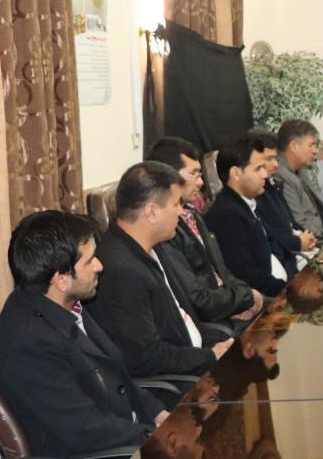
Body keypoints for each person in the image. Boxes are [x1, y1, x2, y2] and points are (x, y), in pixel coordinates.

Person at [0, 211, 167, 459]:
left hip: (126, 439)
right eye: (89, 261)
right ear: (61, 279)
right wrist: (151, 436)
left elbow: (118, 375)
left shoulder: (62, 304)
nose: (100, 266)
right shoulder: (28, 343)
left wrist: (158, 413)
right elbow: (84, 429)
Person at [87, 162, 227, 379]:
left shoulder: (152, 245)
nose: (181, 211)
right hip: (178, 381)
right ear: (151, 212)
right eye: (176, 204)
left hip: (193, 353)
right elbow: (145, 357)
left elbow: (179, 318)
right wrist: (209, 356)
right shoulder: (120, 271)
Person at [147, 137, 262, 325]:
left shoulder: (193, 214)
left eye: (200, 174)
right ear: (169, 177)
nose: (201, 182)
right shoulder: (165, 230)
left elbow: (223, 271)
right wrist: (245, 298)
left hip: (229, 304)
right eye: (193, 174)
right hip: (213, 321)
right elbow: (197, 301)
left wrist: (247, 295)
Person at [206, 136, 291, 297]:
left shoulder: (243, 204)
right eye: (258, 168)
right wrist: (284, 290)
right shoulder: (227, 215)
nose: (265, 174)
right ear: (236, 173)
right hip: (259, 299)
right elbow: (244, 273)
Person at [249, 129, 314, 277]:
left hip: (294, 255)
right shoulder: (254, 194)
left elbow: (289, 222)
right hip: (284, 263)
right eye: (269, 159)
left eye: (276, 158)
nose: (276, 164)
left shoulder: (269, 186)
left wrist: (305, 236)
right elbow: (270, 237)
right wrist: (298, 242)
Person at [274, 119, 323, 244]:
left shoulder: (301, 171)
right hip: (311, 246)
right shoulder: (280, 175)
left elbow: (321, 212)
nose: (315, 150)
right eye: (310, 145)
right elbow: (298, 223)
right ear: (294, 146)